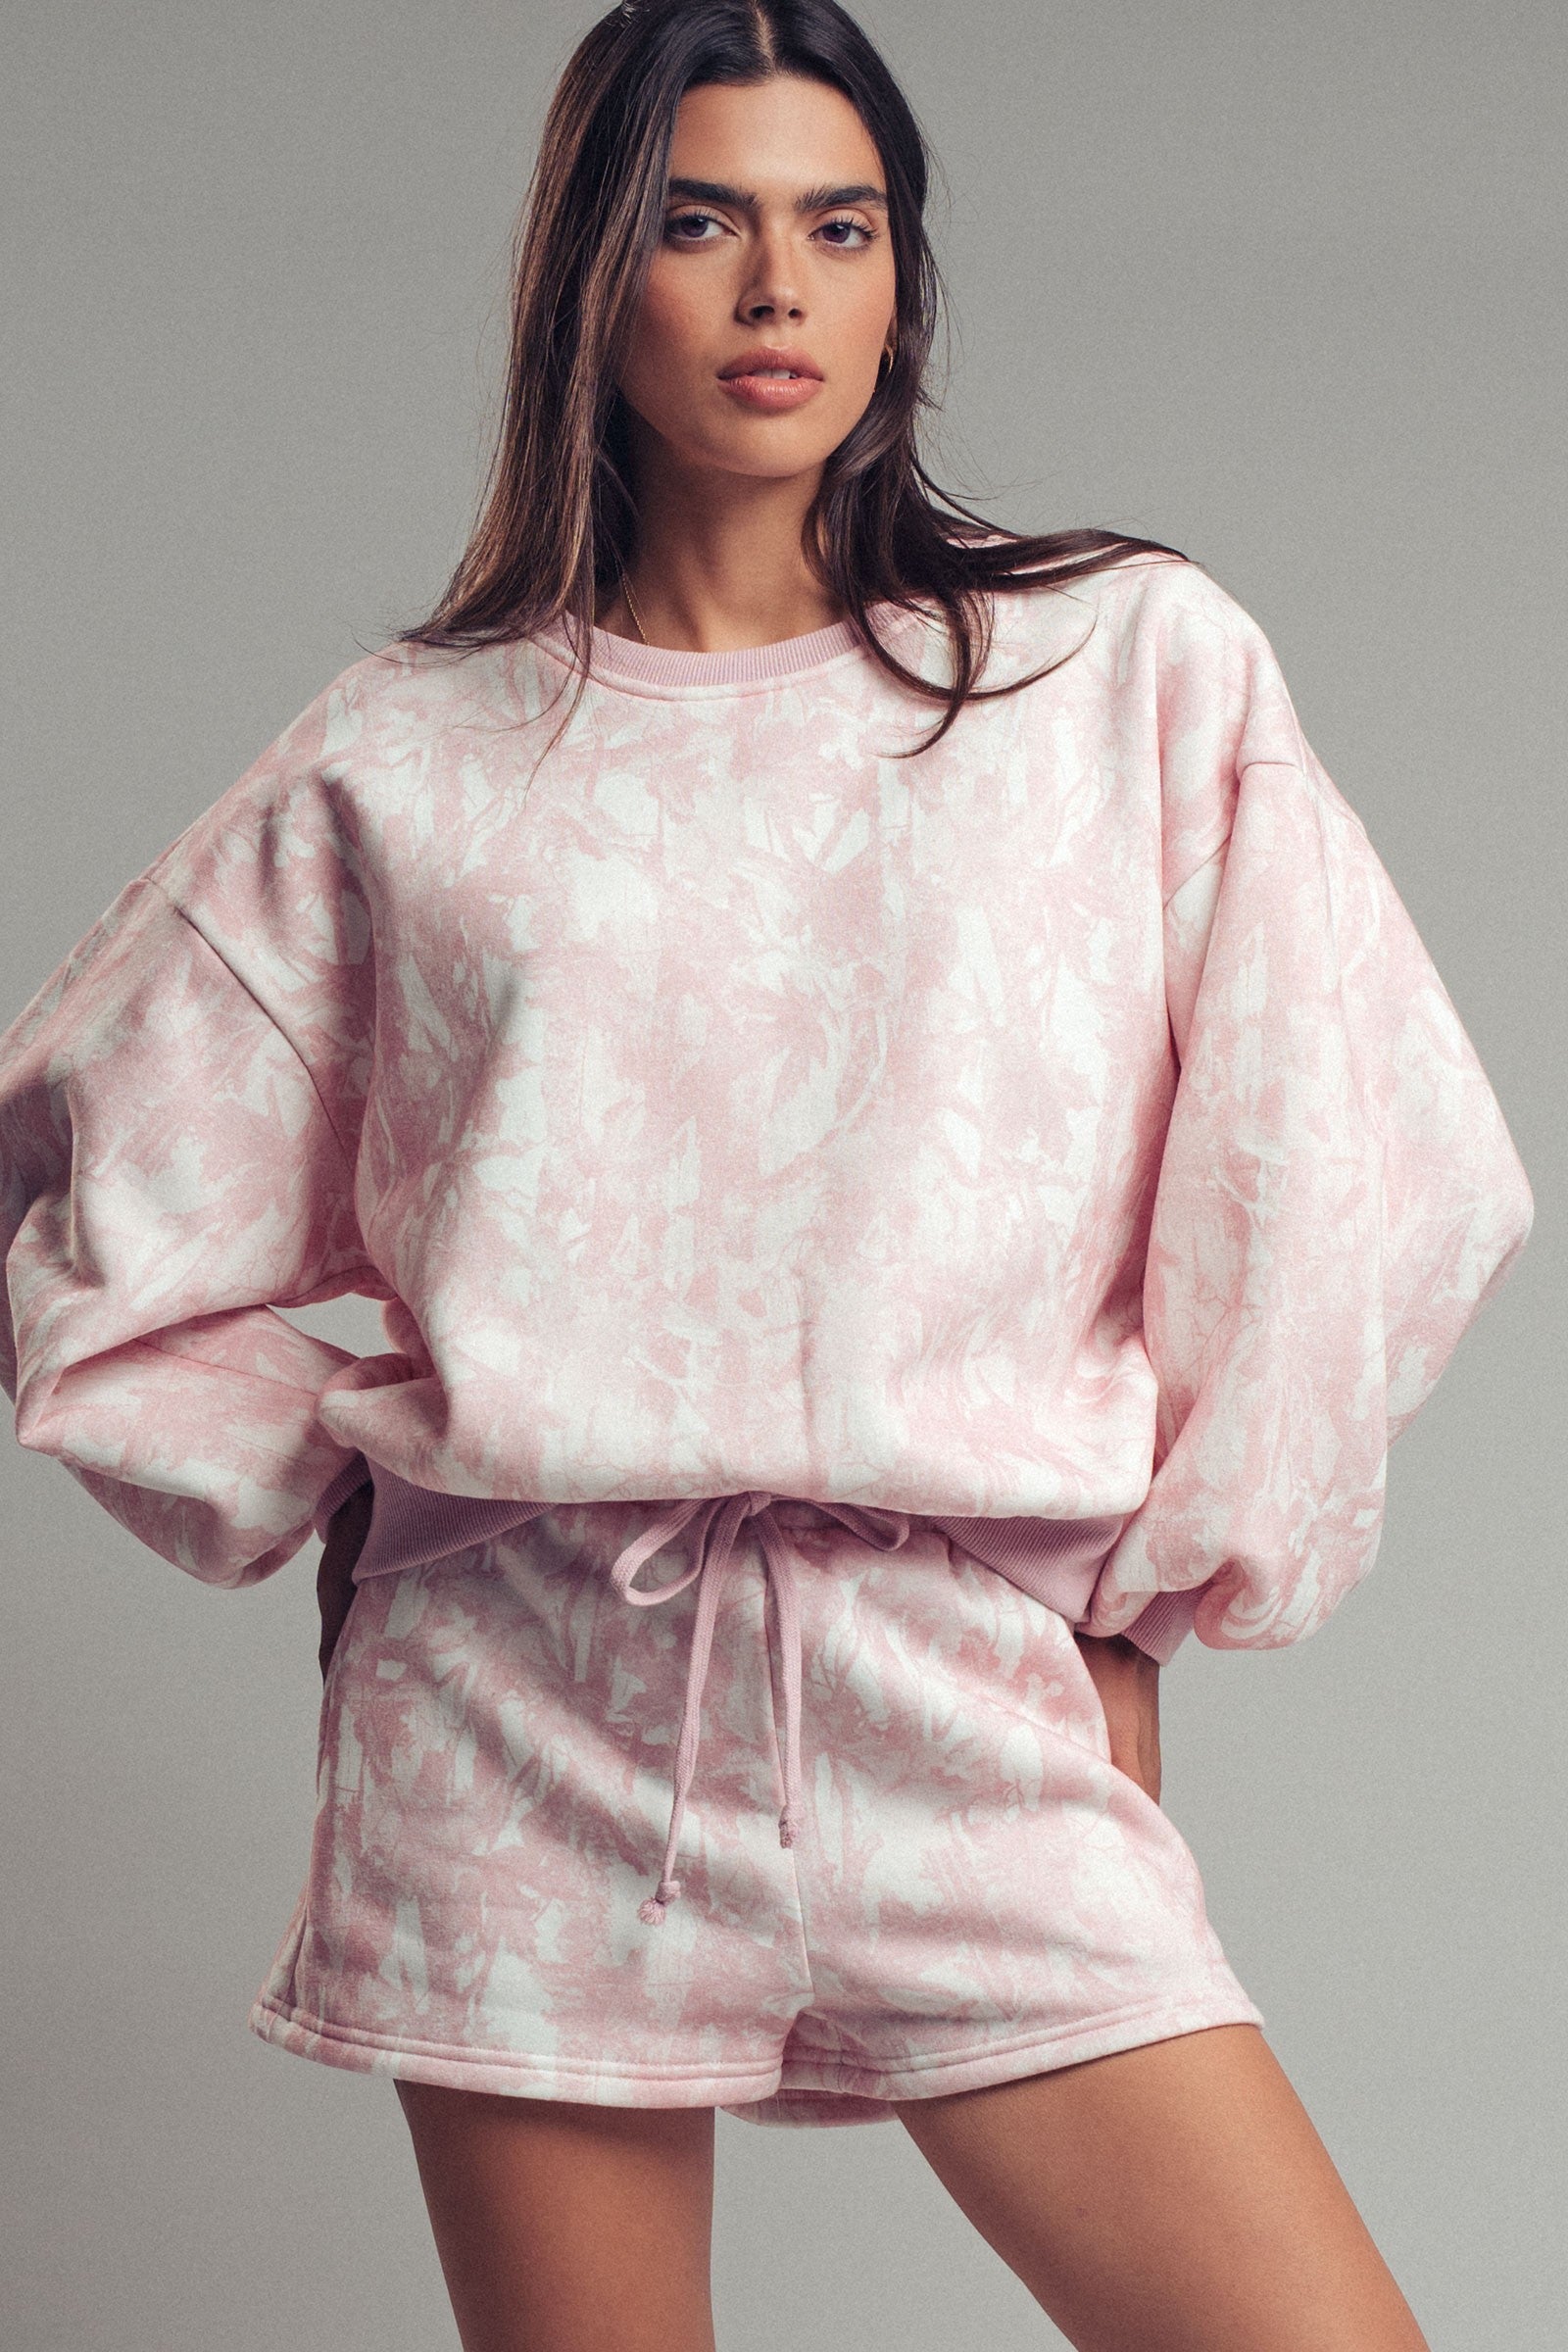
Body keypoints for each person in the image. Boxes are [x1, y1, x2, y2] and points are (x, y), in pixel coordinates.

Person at [0, 2, 1534, 2347]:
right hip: (509, 1721)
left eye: (841, 226)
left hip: (952, 1692)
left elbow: (1355, 1157)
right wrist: (346, 1484)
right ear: (589, 275)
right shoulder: (411, 755)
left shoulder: (1118, 670)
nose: (776, 289)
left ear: (903, 278)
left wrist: (1138, 1608)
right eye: (698, 222)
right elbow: (78, 1183)